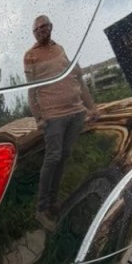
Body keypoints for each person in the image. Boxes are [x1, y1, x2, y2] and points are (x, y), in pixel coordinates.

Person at [24, 15, 97, 228]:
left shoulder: (61, 49)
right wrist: (39, 118)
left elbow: (79, 80)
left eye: (44, 26)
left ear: (51, 27)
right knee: (53, 156)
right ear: (34, 33)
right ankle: (41, 208)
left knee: (64, 156)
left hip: (76, 113)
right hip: (53, 117)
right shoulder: (30, 56)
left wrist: (91, 107)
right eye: (36, 29)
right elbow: (32, 90)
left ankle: (53, 203)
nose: (40, 30)